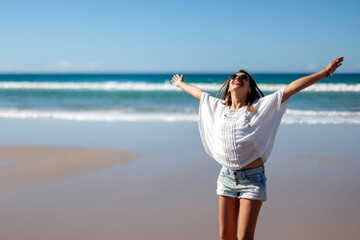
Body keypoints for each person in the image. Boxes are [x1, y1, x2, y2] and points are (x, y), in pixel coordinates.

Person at [171, 57, 344, 240]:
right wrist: (181, 83)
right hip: (226, 177)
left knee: (244, 236)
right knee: (225, 236)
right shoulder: (218, 107)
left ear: (250, 87)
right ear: (229, 86)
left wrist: (325, 73)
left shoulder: (259, 107)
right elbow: (199, 93)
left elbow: (292, 88)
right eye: (234, 76)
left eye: (244, 77)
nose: (238, 78)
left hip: (252, 180)